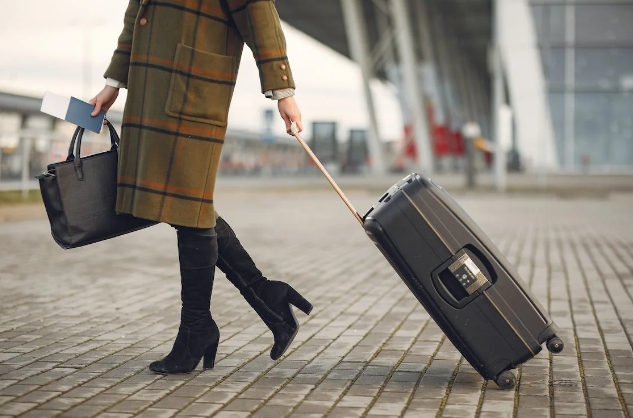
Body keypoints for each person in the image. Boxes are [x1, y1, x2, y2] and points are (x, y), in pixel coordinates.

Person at [90, 0, 311, 374]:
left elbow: (259, 13)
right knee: (186, 205)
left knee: (188, 206)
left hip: (193, 86)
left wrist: (283, 90)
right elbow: (136, 15)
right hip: (150, 90)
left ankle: (200, 327)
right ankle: (262, 298)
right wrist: (113, 83)